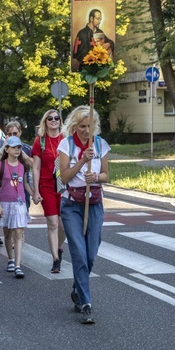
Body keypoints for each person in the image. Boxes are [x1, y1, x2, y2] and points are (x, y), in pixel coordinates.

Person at [58, 105, 110, 324]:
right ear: (74, 126)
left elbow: (107, 175)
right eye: (82, 126)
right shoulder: (66, 145)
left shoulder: (100, 144)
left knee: (90, 254)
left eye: (89, 126)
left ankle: (77, 288)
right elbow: (64, 177)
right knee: (79, 252)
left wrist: (96, 177)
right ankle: (86, 303)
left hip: (94, 204)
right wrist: (82, 160)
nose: (86, 130)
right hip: (71, 205)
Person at [0, 136, 33, 278]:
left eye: (19, 147)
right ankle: (10, 259)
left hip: (19, 204)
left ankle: (17, 265)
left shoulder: (22, 166)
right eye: (14, 147)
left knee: (18, 233)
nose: (17, 150)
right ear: (7, 149)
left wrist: (34, 194)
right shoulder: (0, 166)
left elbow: (25, 183)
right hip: (5, 203)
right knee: (8, 234)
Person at [31, 109, 66, 273]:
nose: (53, 120)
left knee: (64, 224)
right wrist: (35, 191)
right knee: (53, 223)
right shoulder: (40, 141)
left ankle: (59, 247)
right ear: (45, 122)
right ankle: (55, 259)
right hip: (47, 186)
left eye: (56, 118)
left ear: (60, 120)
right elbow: (36, 167)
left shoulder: (66, 139)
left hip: (64, 185)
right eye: (50, 118)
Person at [3, 121, 33, 210]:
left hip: (23, 186)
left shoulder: (27, 148)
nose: (13, 136)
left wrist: (23, 155)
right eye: (10, 134)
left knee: (23, 214)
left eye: (15, 133)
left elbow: (35, 165)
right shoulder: (3, 149)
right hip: (6, 187)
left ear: (20, 133)